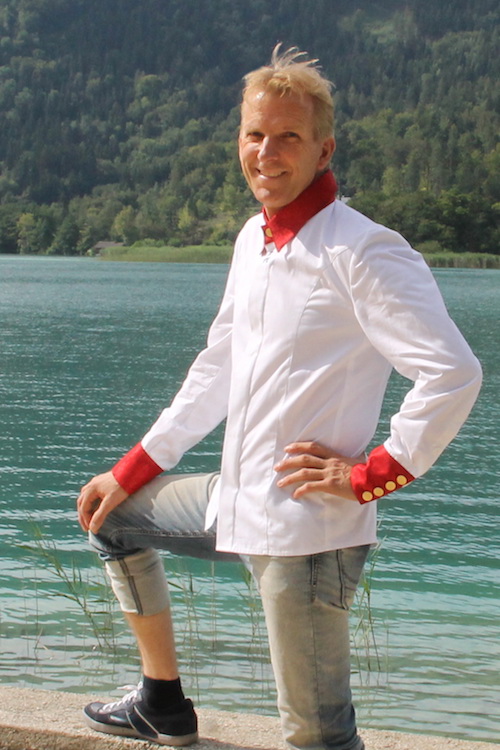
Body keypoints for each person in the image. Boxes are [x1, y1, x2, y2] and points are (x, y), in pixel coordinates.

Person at [77, 46, 482, 750]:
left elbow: (453, 373)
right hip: (236, 500)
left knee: (316, 738)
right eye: (255, 134)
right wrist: (136, 466)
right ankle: (161, 703)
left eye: (288, 136)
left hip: (308, 530)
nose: (267, 152)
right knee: (111, 518)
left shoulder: (364, 250)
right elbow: (219, 365)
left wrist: (372, 475)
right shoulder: (254, 241)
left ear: (324, 149)